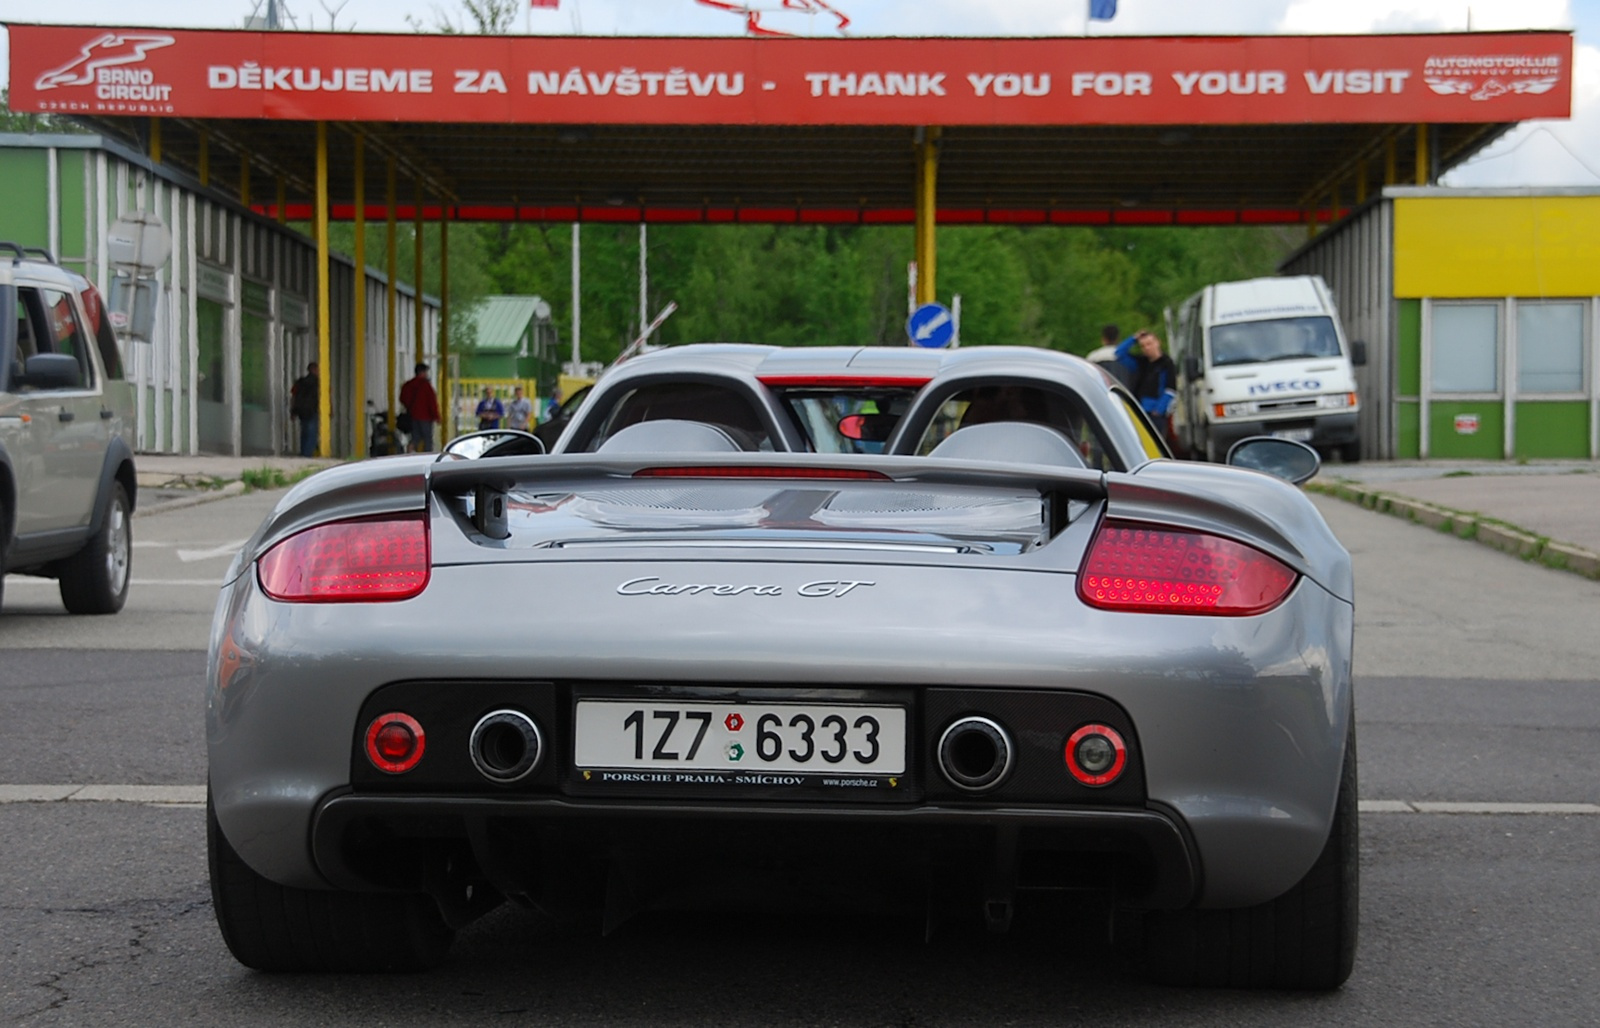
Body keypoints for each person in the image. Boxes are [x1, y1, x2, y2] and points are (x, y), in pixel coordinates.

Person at [1115, 330, 1177, 439]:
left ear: (1157, 342)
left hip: (1155, 413)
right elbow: (1119, 353)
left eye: (1149, 344)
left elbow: (1170, 389)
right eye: (1143, 346)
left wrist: (1159, 410)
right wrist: (1134, 338)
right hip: (1140, 409)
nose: (1147, 348)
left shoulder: (1166, 363)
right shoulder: (1141, 363)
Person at [398, 361, 440, 452]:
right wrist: (436, 416)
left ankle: (409, 453)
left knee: (415, 438)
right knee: (427, 440)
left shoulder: (408, 385)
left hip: (413, 416)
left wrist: (410, 407)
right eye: (425, 372)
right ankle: (427, 458)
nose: (426, 374)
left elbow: (402, 398)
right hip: (426, 417)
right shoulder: (426, 386)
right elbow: (432, 402)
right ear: (422, 372)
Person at [289, 361, 319, 457]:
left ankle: (304, 452)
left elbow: (293, 396)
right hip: (312, 410)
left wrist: (293, 411)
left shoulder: (300, 382)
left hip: (301, 411)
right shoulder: (319, 383)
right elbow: (325, 396)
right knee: (312, 433)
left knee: (305, 432)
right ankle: (307, 454)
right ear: (314, 370)